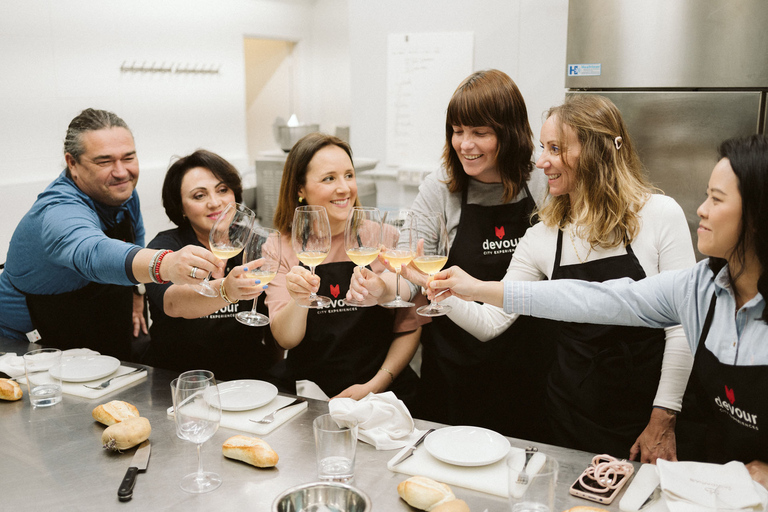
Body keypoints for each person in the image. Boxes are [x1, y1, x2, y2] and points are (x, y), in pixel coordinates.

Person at [430, 134, 768, 486]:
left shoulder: (658, 218)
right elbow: (592, 300)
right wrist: (474, 289)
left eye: (716, 199)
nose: (701, 209)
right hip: (724, 478)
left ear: (758, 214)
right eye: (705, 196)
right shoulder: (697, 288)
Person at [418, 95, 696, 461]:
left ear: (595, 151)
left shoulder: (659, 215)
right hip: (567, 414)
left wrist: (663, 417)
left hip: (645, 415)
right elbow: (491, 322)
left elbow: (683, 327)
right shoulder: (544, 234)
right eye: (542, 148)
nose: (541, 161)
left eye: (555, 149)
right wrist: (440, 290)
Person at [347, 69, 552, 440]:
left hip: (531, 363)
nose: (465, 144)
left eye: (480, 132)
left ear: (509, 132)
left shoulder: (540, 181)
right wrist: (382, 289)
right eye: (458, 131)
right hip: (455, 368)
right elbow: (409, 269)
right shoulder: (441, 187)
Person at [0, 108, 222, 360]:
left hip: (98, 327)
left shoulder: (122, 193)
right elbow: (93, 253)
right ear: (72, 162)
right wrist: (166, 263)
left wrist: (137, 293)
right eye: (104, 161)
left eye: (128, 158)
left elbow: (135, 239)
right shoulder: (58, 211)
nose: (121, 172)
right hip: (30, 344)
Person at [265, 132, 421, 402]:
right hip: (309, 392)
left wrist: (375, 385)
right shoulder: (279, 246)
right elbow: (285, 339)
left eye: (349, 175)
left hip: (382, 389)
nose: (344, 188)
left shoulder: (385, 238)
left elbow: (410, 327)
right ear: (299, 189)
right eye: (329, 178)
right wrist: (299, 298)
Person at [144, 150, 282, 380]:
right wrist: (226, 291)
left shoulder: (257, 245)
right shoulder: (166, 248)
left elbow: (273, 326)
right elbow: (172, 303)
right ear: (181, 208)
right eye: (199, 196)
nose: (215, 203)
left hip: (248, 383)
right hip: (179, 382)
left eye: (222, 190)